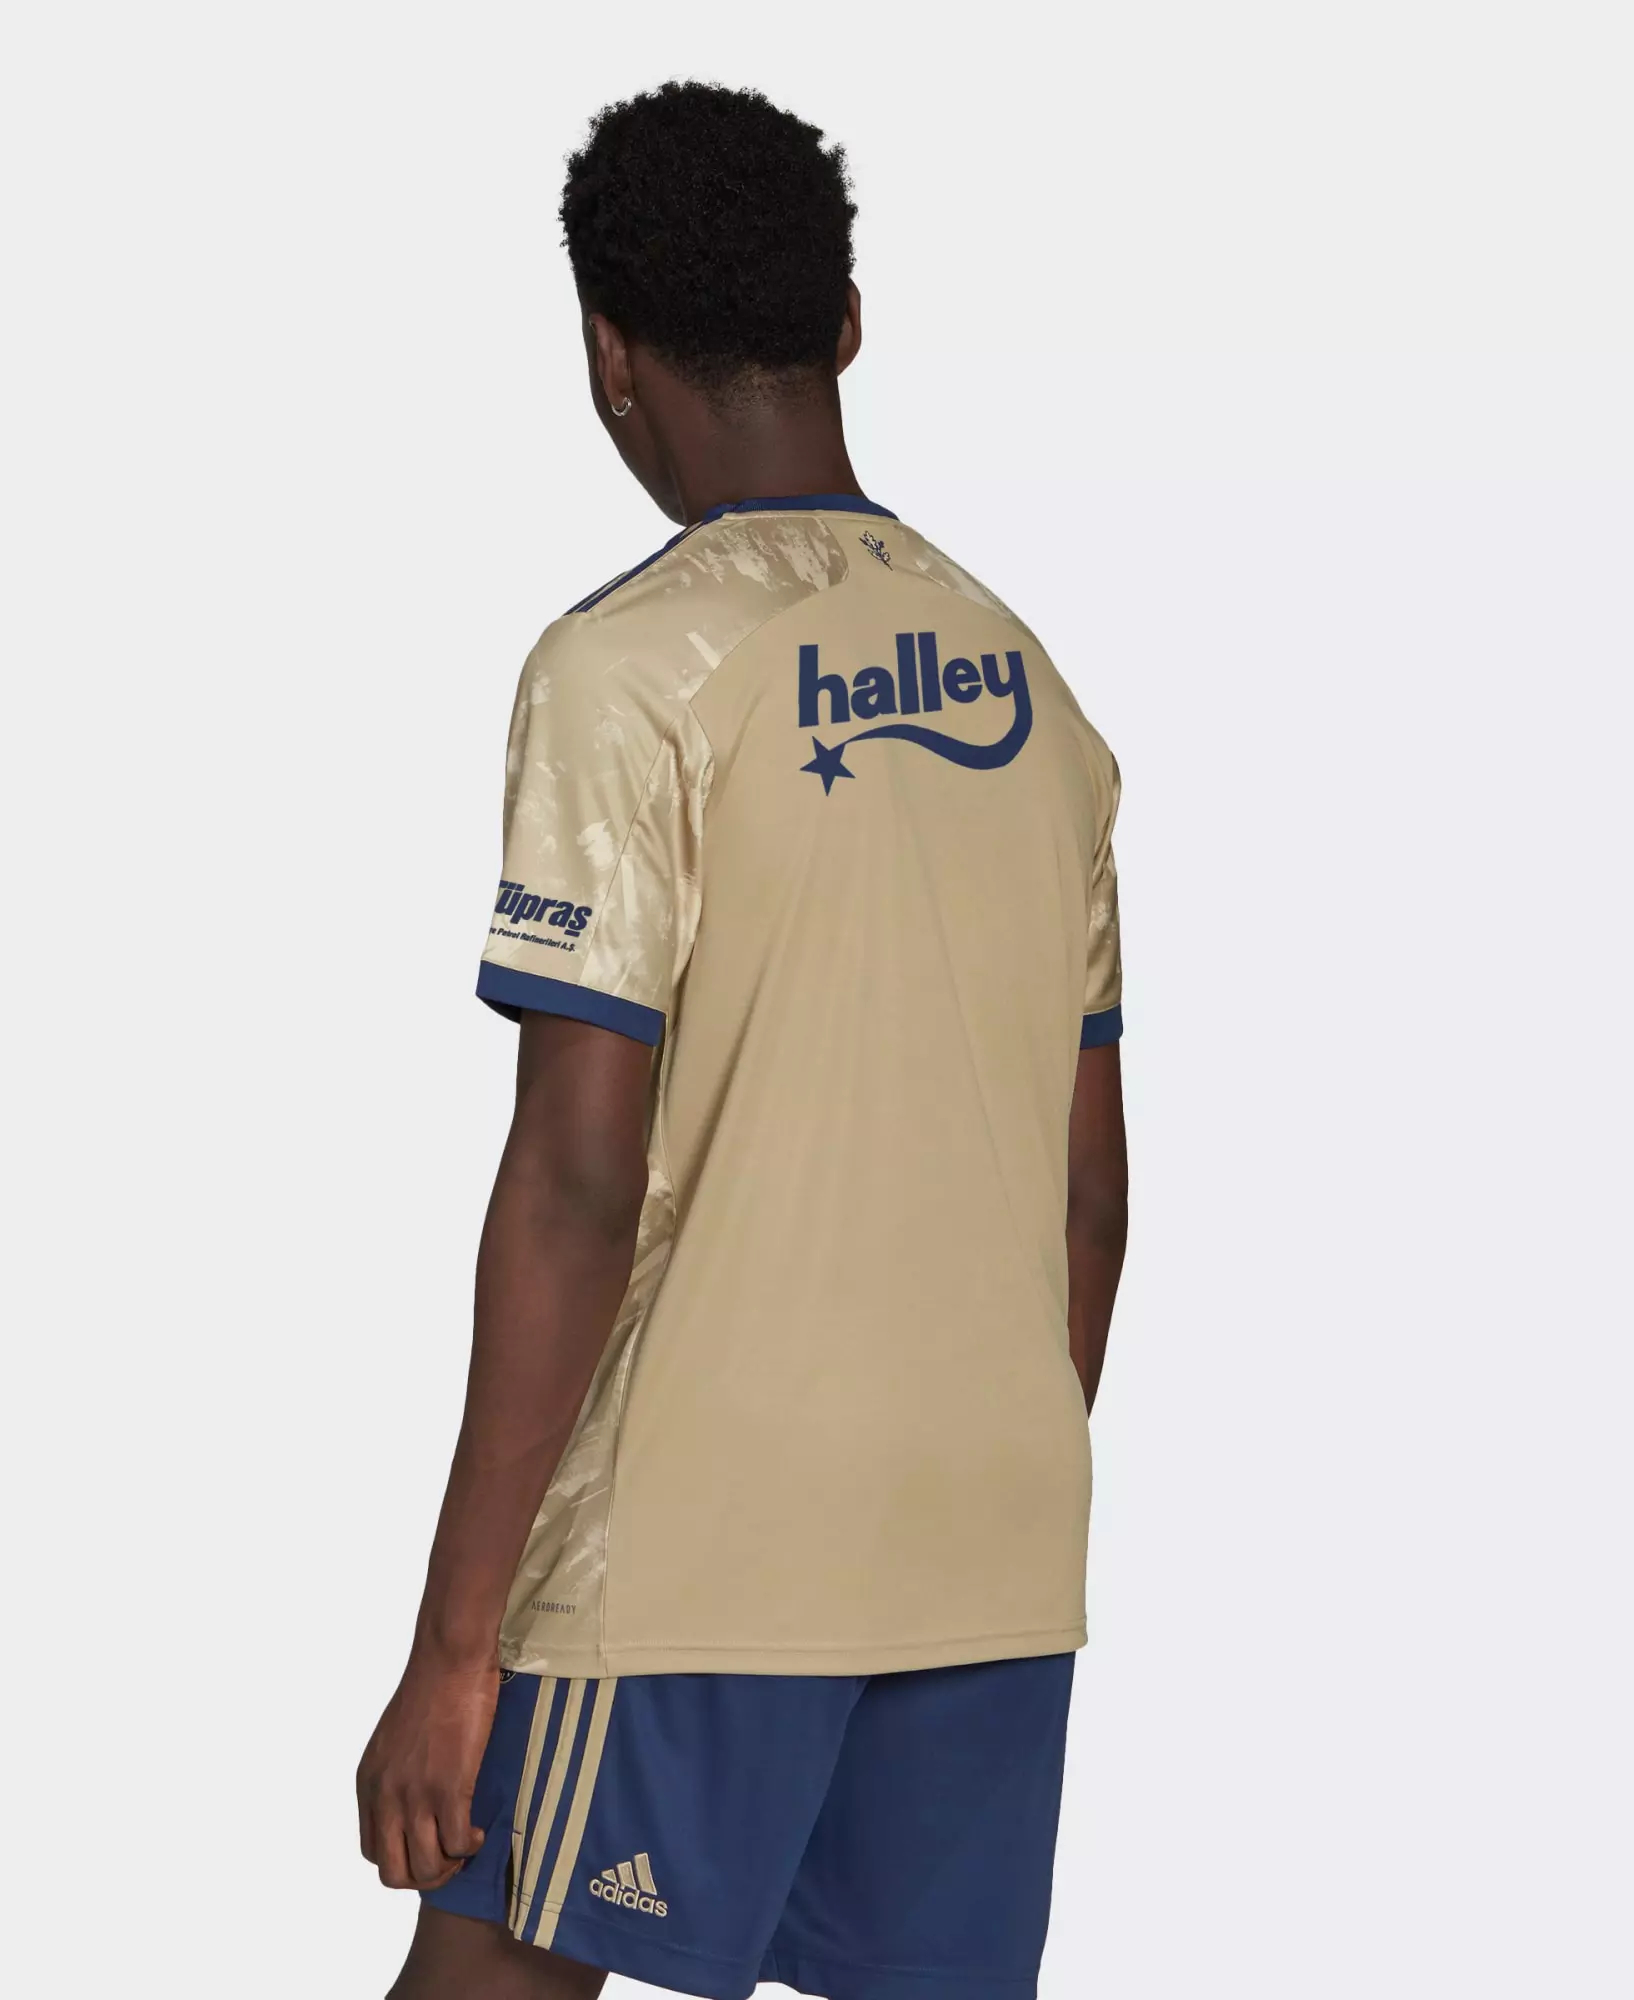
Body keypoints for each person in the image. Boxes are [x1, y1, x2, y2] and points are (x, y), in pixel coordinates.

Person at [357, 80, 1129, 2000]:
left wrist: (456, 1647)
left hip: (700, 1544)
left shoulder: (627, 671)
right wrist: (962, 1485)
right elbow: (1088, 1194)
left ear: (608, 355)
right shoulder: (1038, 694)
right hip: (993, 1536)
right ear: (848, 320)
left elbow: (575, 1175)